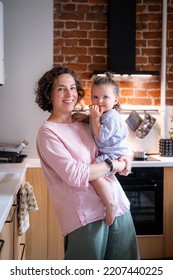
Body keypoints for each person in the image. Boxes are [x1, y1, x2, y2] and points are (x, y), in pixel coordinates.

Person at [35, 66, 140, 260]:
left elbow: (111, 144)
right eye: (60, 89)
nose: (69, 94)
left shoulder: (84, 122)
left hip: (118, 206)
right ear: (48, 94)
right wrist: (114, 165)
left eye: (73, 88)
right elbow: (75, 175)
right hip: (87, 218)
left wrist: (125, 158)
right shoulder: (48, 133)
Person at [89, 74, 129, 226]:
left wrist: (93, 118)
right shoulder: (103, 114)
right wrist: (87, 117)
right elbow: (96, 123)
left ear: (115, 100)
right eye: (95, 96)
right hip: (111, 152)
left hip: (114, 154)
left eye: (105, 97)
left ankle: (110, 203)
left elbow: (102, 135)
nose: (99, 101)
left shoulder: (111, 116)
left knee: (93, 172)